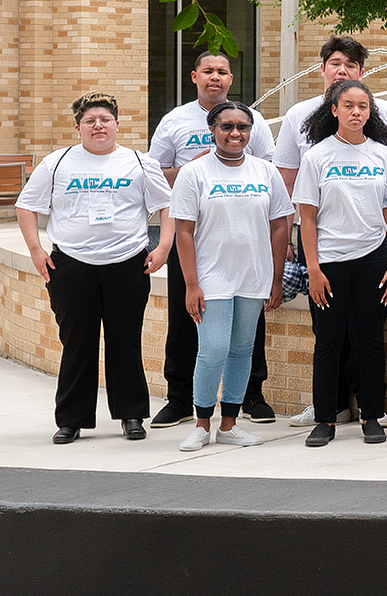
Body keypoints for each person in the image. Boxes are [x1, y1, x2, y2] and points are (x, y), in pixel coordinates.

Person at [19, 92, 173, 444]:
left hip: (127, 263)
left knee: (125, 341)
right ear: (78, 128)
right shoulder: (58, 162)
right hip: (71, 264)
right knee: (77, 342)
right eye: (90, 121)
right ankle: (71, 419)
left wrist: (163, 246)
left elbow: (167, 205)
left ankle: (131, 415)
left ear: (117, 124)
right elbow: (27, 205)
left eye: (105, 119)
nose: (98, 126)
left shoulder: (139, 162)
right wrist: (35, 250)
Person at [276, 36, 387, 428]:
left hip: (372, 255)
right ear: (333, 108)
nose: (355, 111)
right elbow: (301, 206)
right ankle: (327, 415)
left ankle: (372, 412)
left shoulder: (383, 148)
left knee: (369, 337)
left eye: (362, 105)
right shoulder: (312, 145)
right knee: (328, 339)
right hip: (327, 256)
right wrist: (307, 261)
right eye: (335, 63)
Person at [146, 51, 279, 428]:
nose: (215, 77)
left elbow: (268, 173)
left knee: (248, 329)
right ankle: (180, 399)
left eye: (222, 71)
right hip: (191, 235)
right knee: (185, 316)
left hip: (244, 239)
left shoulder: (252, 122)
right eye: (208, 71)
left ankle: (251, 395)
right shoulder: (174, 121)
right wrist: (196, 166)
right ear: (194, 76)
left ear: (231, 78)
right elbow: (155, 175)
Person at [169, 101, 293, 451]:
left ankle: (229, 424)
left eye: (242, 127)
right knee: (212, 349)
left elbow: (279, 226)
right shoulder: (195, 173)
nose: (235, 133)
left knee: (241, 350)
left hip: (253, 275)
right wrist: (192, 284)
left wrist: (275, 278)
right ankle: (201, 423)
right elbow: (183, 232)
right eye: (227, 126)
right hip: (212, 276)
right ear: (212, 130)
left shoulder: (264, 172)